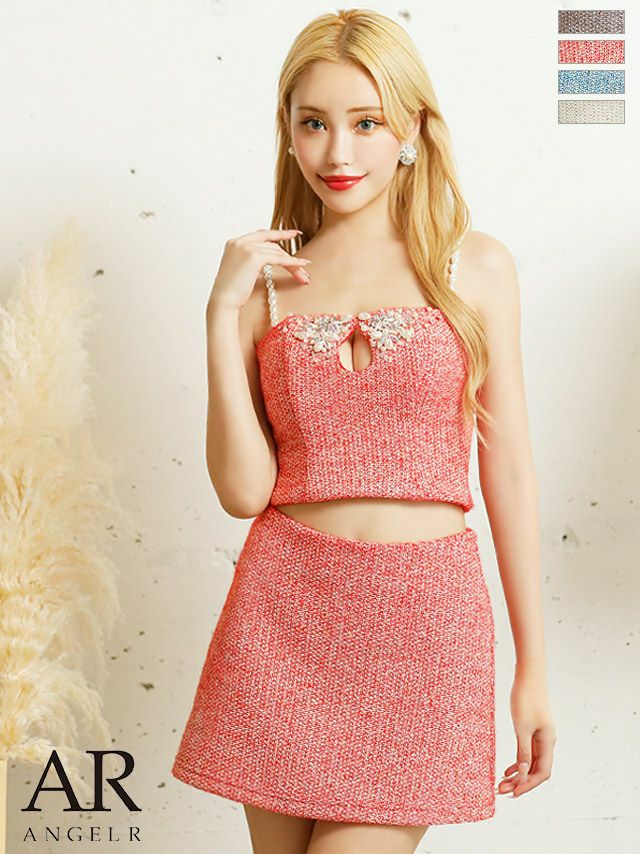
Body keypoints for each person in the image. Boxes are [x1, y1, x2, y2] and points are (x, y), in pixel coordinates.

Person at [171, 9, 557, 854]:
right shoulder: (264, 286)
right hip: (281, 619)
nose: (337, 153)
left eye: (366, 123)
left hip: (425, 629)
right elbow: (243, 492)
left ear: (411, 128)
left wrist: (532, 666)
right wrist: (220, 314)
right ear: (288, 130)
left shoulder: (474, 267)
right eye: (314, 123)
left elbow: (510, 473)